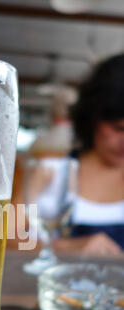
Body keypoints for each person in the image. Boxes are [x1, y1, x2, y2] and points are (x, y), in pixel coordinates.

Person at [54, 53, 124, 256]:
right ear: (92, 118)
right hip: (67, 287)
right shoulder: (54, 170)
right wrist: (67, 246)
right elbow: (8, 240)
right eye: (118, 128)